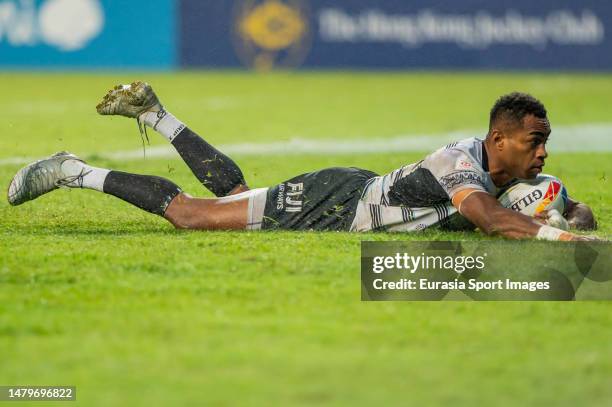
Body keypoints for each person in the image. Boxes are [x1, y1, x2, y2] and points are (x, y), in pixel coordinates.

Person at [7, 82, 597, 241]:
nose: (543, 151)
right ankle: (74, 170)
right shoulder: (459, 162)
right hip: (334, 204)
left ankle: (158, 116)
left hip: (342, 197)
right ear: (498, 138)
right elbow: (492, 220)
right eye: (533, 141)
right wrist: (574, 246)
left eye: (545, 141)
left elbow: (576, 208)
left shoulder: (524, 176)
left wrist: (571, 217)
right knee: (196, 216)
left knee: (236, 193)